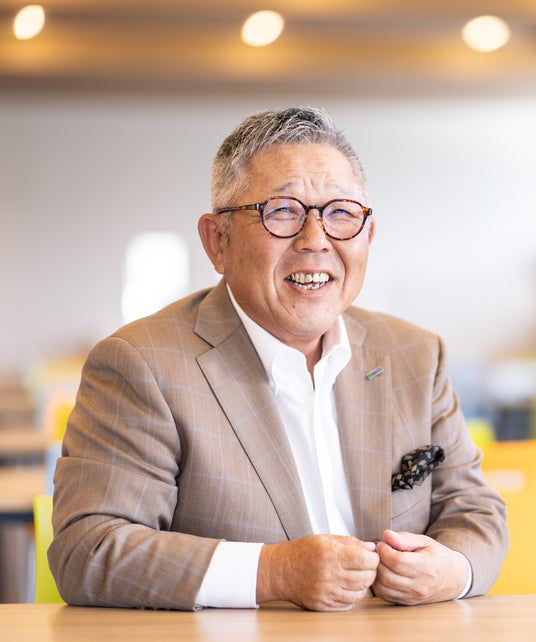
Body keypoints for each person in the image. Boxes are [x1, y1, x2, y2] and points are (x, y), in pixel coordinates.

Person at [49, 106, 508, 612]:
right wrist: (272, 571)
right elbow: (88, 551)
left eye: (341, 213)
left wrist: (453, 569)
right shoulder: (141, 364)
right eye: (283, 211)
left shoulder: (416, 355)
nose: (316, 241)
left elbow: (475, 511)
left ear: (368, 236)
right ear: (217, 241)